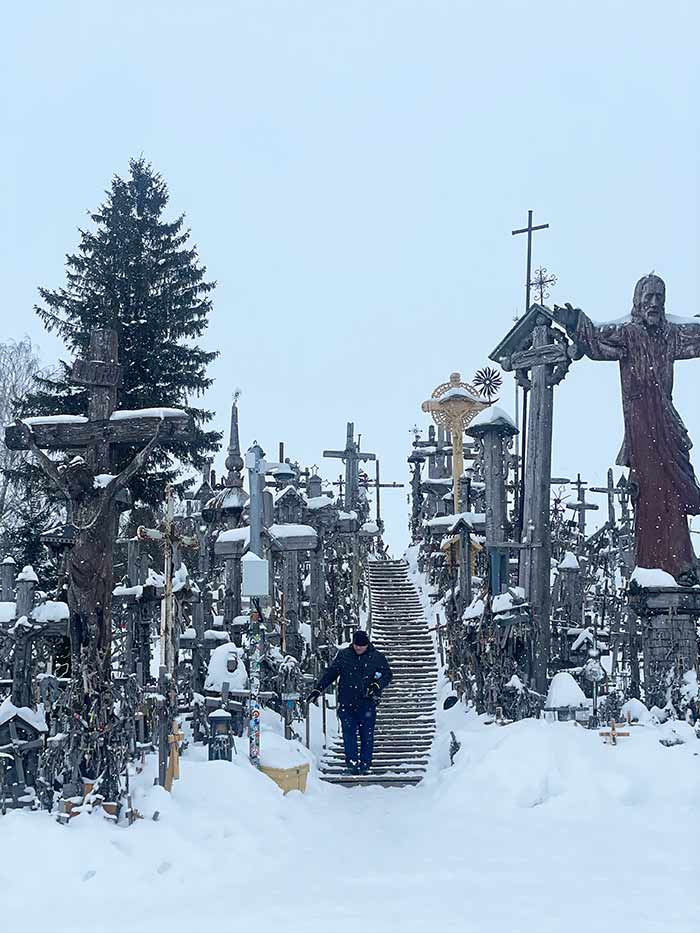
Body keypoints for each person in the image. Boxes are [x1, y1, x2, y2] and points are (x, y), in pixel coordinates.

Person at [554, 274, 700, 585]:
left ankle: (680, 560)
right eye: (648, 297)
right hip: (641, 424)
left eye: (659, 297)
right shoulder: (628, 334)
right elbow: (596, 343)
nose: (654, 303)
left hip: (665, 419)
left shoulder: (671, 335)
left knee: (672, 493)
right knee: (649, 494)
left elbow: (695, 339)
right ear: (637, 300)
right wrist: (576, 323)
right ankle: (650, 562)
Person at [308, 630, 392, 775]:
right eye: (356, 645)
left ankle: (365, 764)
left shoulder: (377, 657)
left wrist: (377, 685)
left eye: (362, 646)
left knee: (367, 734)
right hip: (347, 702)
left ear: (367, 644)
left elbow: (387, 674)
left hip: (367, 702)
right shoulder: (344, 656)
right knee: (349, 733)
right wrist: (318, 689)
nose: (359, 648)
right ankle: (352, 764)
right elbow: (331, 673)